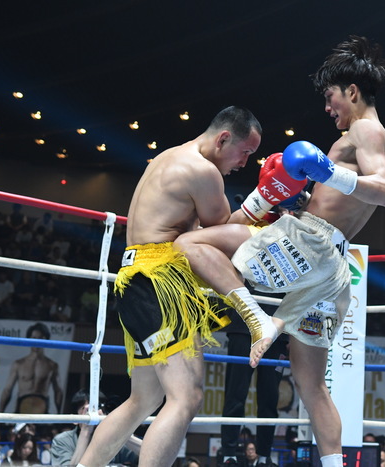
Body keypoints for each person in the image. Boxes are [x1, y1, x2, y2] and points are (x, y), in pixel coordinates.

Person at [175, 35, 385, 467]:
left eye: (331, 97)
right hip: (330, 268)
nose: (328, 107)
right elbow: (346, 198)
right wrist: (303, 195)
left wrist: (326, 171)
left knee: (190, 241)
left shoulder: (366, 129)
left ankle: (253, 316)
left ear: (352, 91)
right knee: (312, 387)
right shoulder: (365, 135)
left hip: (308, 245)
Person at [76, 106, 264, 467]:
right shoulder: (203, 171)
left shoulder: (169, 156)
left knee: (143, 400)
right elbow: (221, 233)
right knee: (186, 397)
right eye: (245, 152)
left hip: (136, 281)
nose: (245, 163)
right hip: (158, 285)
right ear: (224, 138)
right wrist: (265, 198)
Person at [220, 294, 287, 467]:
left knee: (270, 397)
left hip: (279, 329)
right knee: (235, 392)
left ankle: (264, 456)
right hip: (244, 324)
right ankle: (229, 454)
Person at [50, 389, 141, 467]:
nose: (96, 413)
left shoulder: (112, 437)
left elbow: (147, 454)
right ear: (75, 419)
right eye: (88, 410)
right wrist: (85, 431)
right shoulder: (62, 441)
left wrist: (120, 432)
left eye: (98, 407)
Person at [0, 322, 63, 414]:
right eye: (34, 338)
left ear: (46, 340)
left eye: (40, 338)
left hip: (42, 408)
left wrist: (59, 414)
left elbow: (58, 391)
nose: (37, 341)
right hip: (21, 407)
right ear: (29, 339)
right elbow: (7, 390)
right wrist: (0, 412)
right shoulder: (19, 364)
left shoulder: (52, 365)